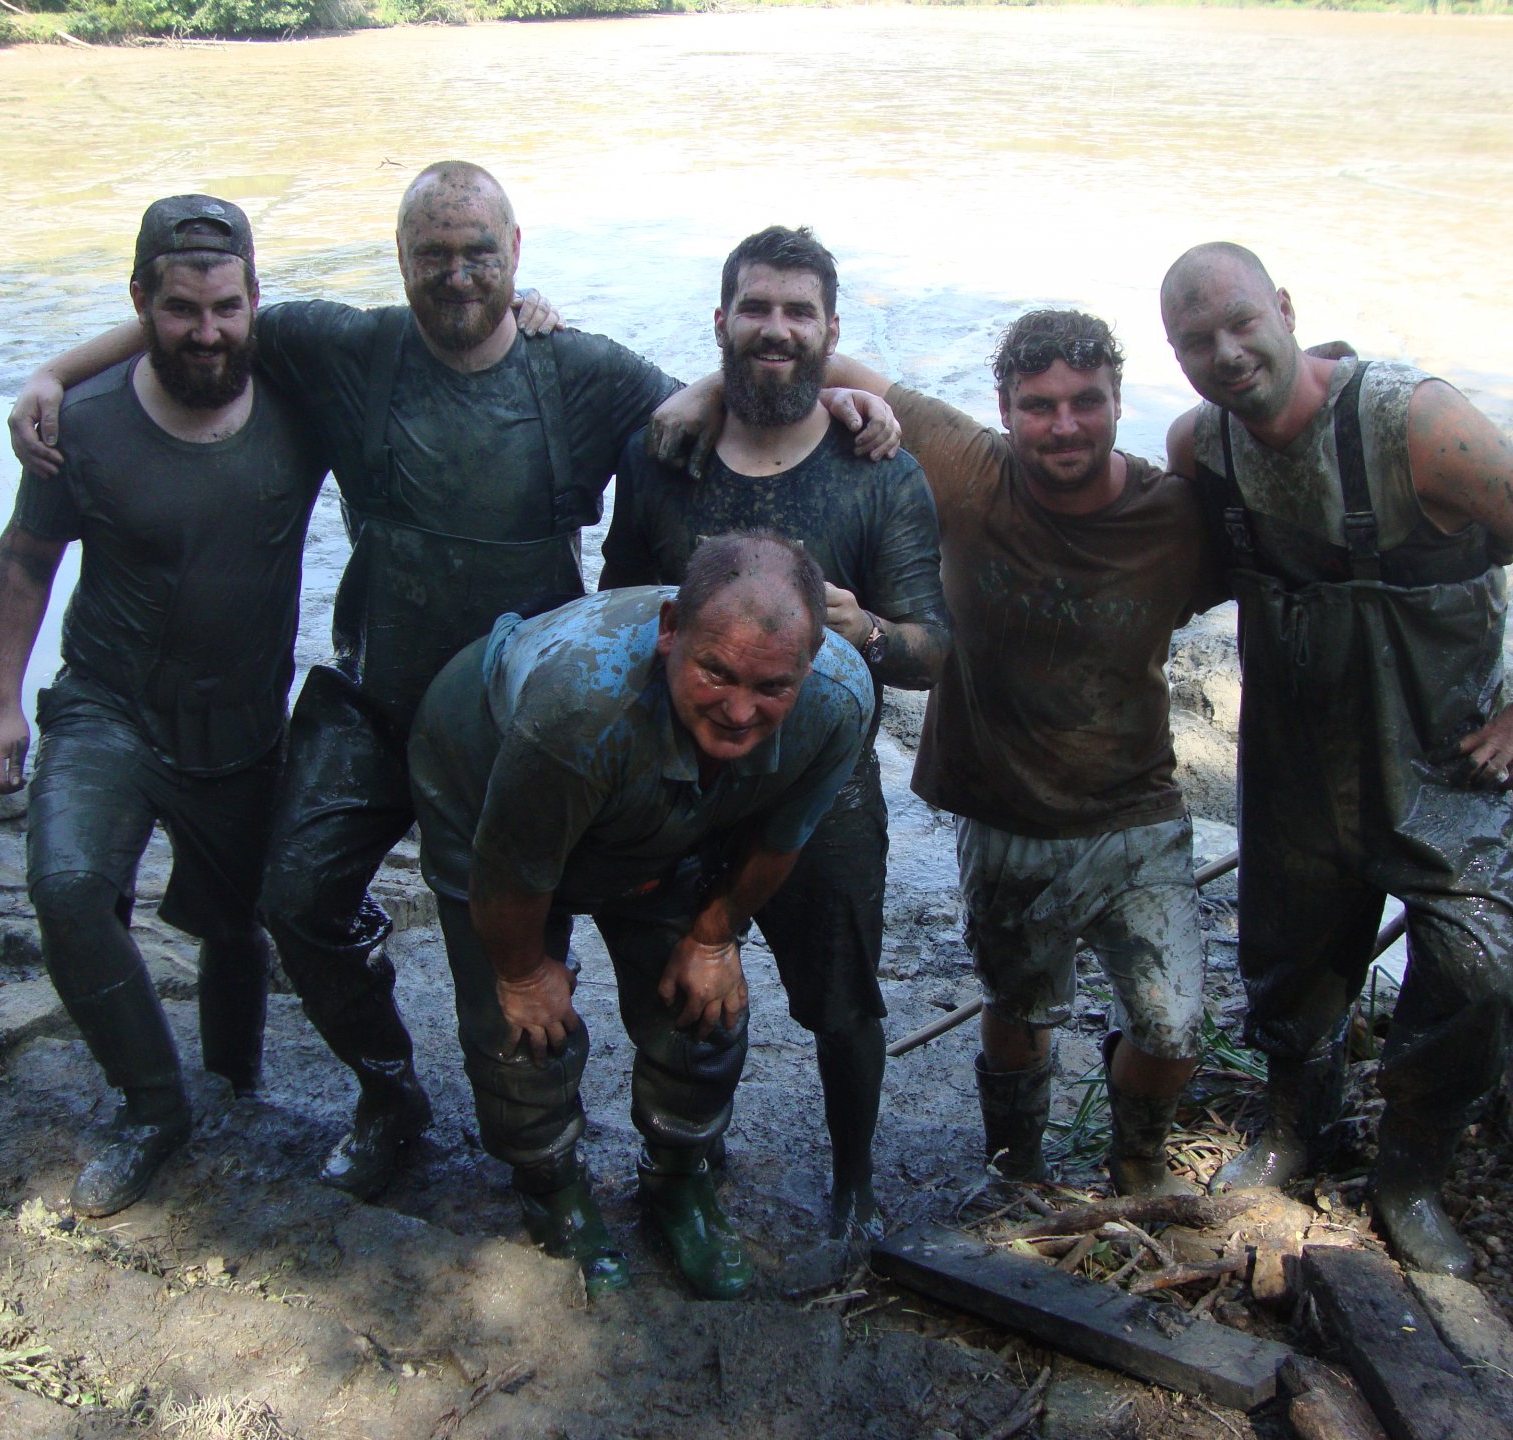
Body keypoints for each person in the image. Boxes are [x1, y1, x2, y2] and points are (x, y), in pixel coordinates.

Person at [9, 165, 897, 1202]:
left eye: (479, 251)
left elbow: (755, 381)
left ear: (515, 252)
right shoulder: (345, 346)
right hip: (377, 697)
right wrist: (54, 372)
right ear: (401, 259)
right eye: (434, 254)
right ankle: (388, 1093)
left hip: (527, 722)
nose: (459, 273)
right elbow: (206, 322)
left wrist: (837, 390)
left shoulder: (579, 369)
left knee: (528, 945)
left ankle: (582, 1148)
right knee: (294, 898)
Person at [1160, 242, 1513, 1275]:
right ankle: (1298, 1127)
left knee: (1478, 969)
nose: (1227, 354)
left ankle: (1409, 1174)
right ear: (1177, 357)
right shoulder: (1203, 449)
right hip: (1296, 753)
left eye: (1241, 323)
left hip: (1439, 760)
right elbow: (1172, 558)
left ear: (1284, 307)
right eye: (1197, 342)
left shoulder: (1416, 423)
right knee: (1286, 960)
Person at [814, 312, 1220, 1198]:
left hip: (1138, 809)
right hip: (1004, 809)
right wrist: (700, 392)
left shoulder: (1176, 517)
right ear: (1003, 409)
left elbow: (1285, 517)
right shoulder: (968, 468)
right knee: (1020, 1006)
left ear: (1121, 401)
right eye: (1039, 406)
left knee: (1175, 1026)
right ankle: (1017, 1170)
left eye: (1087, 402)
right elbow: (811, 355)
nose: (1064, 424)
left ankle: (1139, 1167)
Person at [0, 196, 330, 1217]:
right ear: (141, 303)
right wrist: (3, 704)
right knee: (69, 884)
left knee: (236, 929)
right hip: (108, 706)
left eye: (227, 306)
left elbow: (437, 346)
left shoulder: (300, 403)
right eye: (180, 310)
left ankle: (236, 1086)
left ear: (256, 301)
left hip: (241, 726)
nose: (207, 331)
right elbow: (24, 560)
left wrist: (528, 308)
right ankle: (153, 1106)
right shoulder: (80, 428)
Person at [409, 534, 873, 1298]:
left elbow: (779, 837)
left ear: (813, 661)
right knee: (520, 1027)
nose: (738, 708)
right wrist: (525, 972)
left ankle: (678, 1180)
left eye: (771, 687)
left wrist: (713, 936)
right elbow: (511, 871)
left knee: (704, 1006)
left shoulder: (838, 701)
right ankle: (551, 1187)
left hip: (664, 796)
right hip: (488, 767)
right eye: (715, 671)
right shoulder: (579, 708)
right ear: (669, 630)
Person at [600, 226, 949, 1239]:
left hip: (825, 792)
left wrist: (869, 629)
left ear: (832, 332)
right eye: (756, 308)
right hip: (678, 786)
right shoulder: (665, 454)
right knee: (674, 992)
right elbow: (618, 608)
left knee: (842, 1002)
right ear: (721, 322)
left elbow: (932, 652)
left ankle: (853, 1186)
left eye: (800, 312)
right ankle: (689, 1159)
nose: (776, 329)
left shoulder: (878, 473)